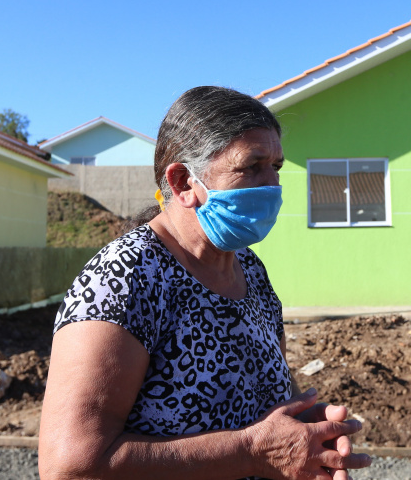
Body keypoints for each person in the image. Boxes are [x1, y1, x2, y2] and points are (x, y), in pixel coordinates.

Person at [39, 86, 371, 480]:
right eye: (252, 166)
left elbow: (262, 409)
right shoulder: (125, 278)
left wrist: (306, 433)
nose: (272, 186)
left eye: (277, 167)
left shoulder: (250, 271)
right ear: (182, 182)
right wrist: (251, 451)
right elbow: (71, 464)